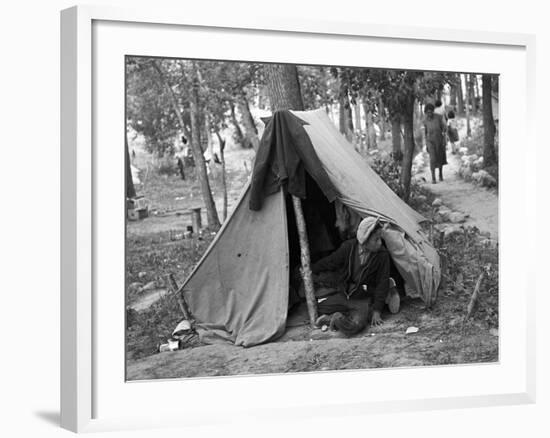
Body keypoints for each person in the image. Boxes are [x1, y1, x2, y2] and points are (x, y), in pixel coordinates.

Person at [307, 217, 400, 336]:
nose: (380, 243)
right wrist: (311, 268)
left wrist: (377, 310)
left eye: (380, 239)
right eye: (376, 240)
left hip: (362, 298)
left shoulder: (382, 255)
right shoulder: (349, 247)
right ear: (364, 241)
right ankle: (342, 315)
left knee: (355, 325)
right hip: (346, 294)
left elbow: (382, 282)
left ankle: (336, 318)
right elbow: (331, 262)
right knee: (319, 307)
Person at [423, 103, 447, 183]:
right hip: (430, 141)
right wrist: (426, 144)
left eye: (430, 112)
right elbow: (425, 132)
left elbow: (444, 128)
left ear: (433, 111)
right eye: (427, 112)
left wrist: (444, 138)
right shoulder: (425, 120)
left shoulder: (439, 117)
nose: (429, 114)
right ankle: (433, 177)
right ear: (426, 112)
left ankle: (440, 174)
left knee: (439, 158)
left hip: (439, 140)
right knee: (432, 159)